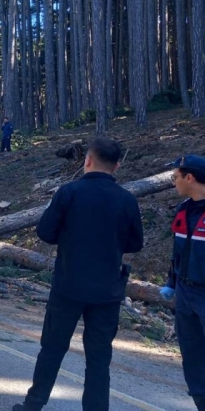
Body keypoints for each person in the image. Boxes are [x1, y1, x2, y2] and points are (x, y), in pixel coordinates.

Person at [13, 138, 144, 411]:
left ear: (87, 160)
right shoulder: (127, 199)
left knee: (52, 349)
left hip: (68, 286)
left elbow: (46, 233)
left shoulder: (69, 192)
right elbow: (135, 244)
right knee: (98, 359)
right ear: (117, 165)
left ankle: (33, 405)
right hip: (107, 291)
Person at [160, 154, 205, 411]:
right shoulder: (184, 210)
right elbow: (178, 253)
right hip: (186, 295)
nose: (173, 182)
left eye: (175, 177)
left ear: (190, 177)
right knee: (193, 358)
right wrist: (171, 283)